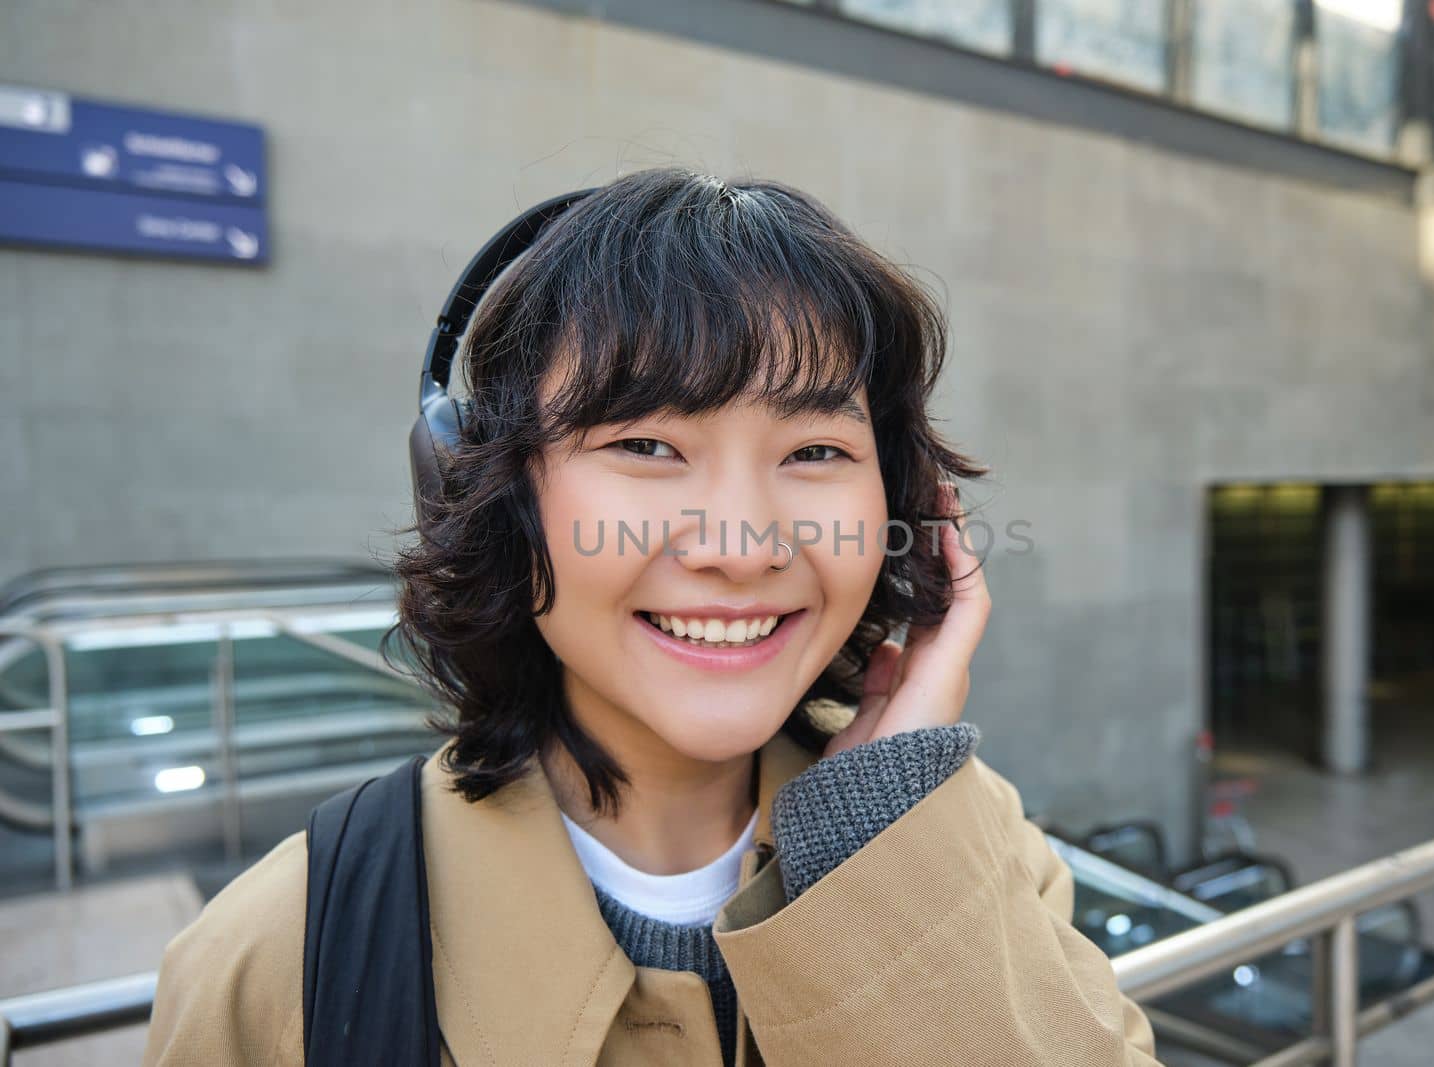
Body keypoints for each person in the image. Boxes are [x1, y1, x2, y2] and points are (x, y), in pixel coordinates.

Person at [142, 167, 1162, 1066]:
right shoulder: (285, 955)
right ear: (497, 493)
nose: (742, 542)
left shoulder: (969, 836)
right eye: (644, 444)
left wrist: (876, 844)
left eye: (814, 452)